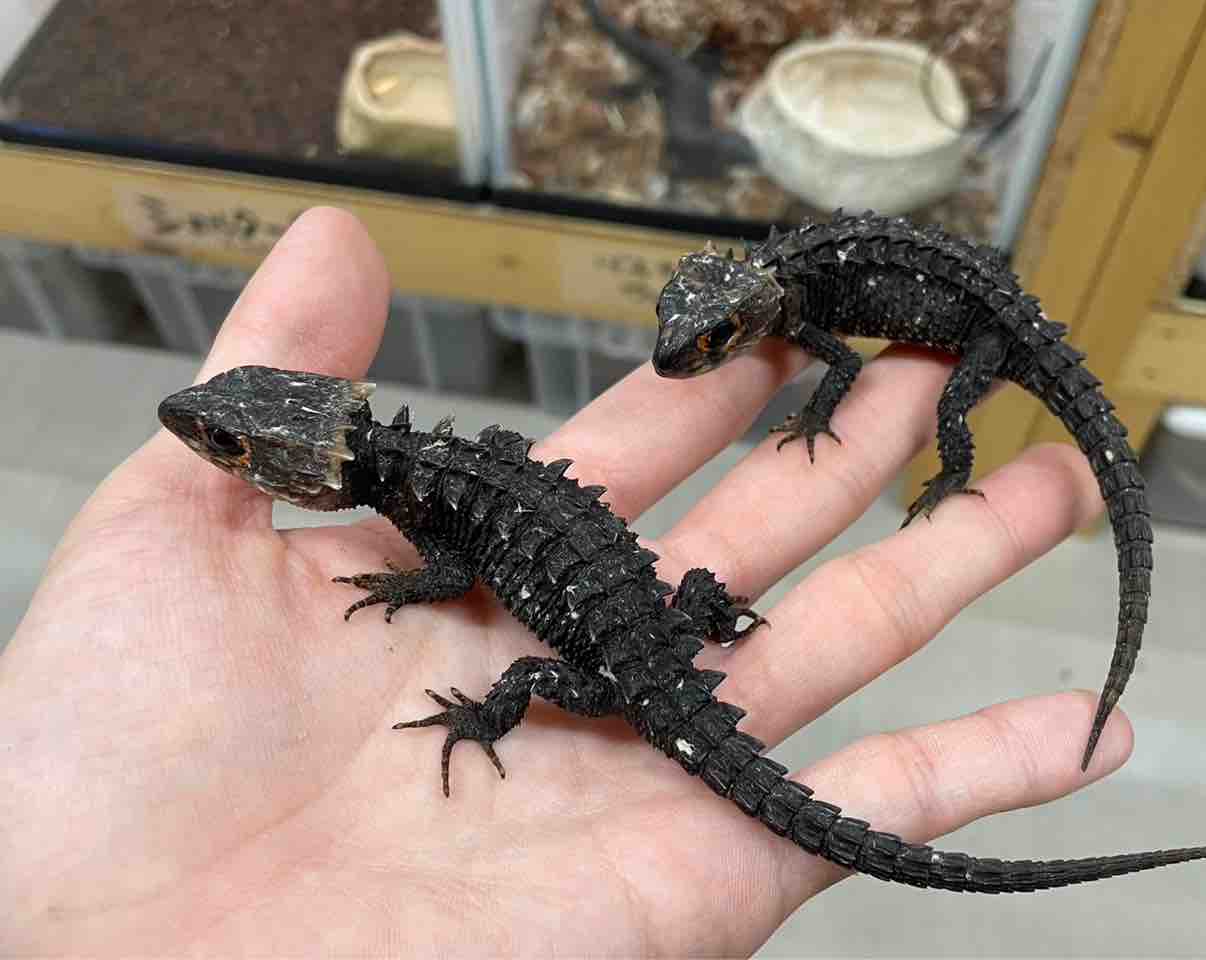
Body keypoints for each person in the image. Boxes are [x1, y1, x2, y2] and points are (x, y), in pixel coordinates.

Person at [1, 208, 1125, 954]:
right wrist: (710, 619)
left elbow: (456, 574)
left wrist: (443, 657)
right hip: (666, 627)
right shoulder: (428, 475)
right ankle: (721, 616)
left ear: (312, 458)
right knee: (681, 606)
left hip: (621, 675)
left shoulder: (414, 504)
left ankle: (598, 671)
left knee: (536, 675)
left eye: (236, 445)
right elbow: (472, 553)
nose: (211, 444)